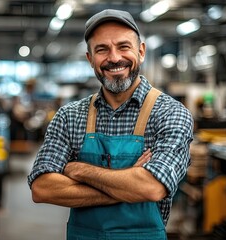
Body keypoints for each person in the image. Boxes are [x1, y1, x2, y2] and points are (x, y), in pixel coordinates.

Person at [27, 9, 193, 240]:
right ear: (90, 58)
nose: (114, 58)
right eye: (102, 49)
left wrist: (79, 170)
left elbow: (152, 188)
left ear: (141, 51)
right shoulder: (69, 116)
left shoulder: (170, 114)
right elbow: (42, 188)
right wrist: (129, 183)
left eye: (124, 46)